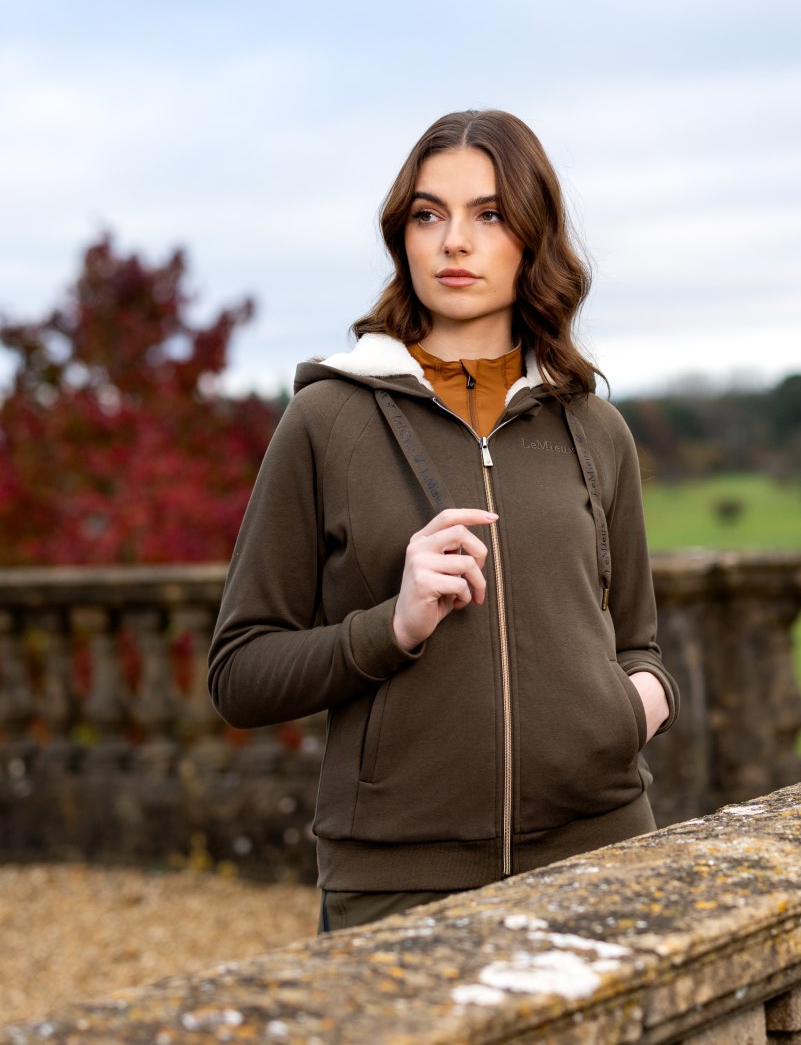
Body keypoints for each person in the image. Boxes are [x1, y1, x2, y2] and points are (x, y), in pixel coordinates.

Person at [208, 109, 679, 932]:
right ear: (403, 237)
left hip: (601, 856)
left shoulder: (594, 428)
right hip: (398, 880)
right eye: (430, 214)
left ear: (534, 239)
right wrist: (389, 626)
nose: (454, 241)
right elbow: (240, 673)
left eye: (488, 214)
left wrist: (635, 708)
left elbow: (637, 641)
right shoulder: (326, 421)